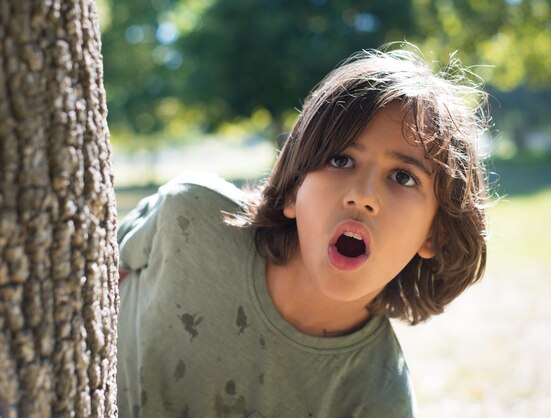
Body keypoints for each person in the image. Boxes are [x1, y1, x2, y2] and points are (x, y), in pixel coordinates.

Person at [116, 44, 490, 418]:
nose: (362, 196)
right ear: (294, 188)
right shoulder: (189, 215)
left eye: (403, 177)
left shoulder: (377, 399)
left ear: (435, 233)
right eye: (341, 160)